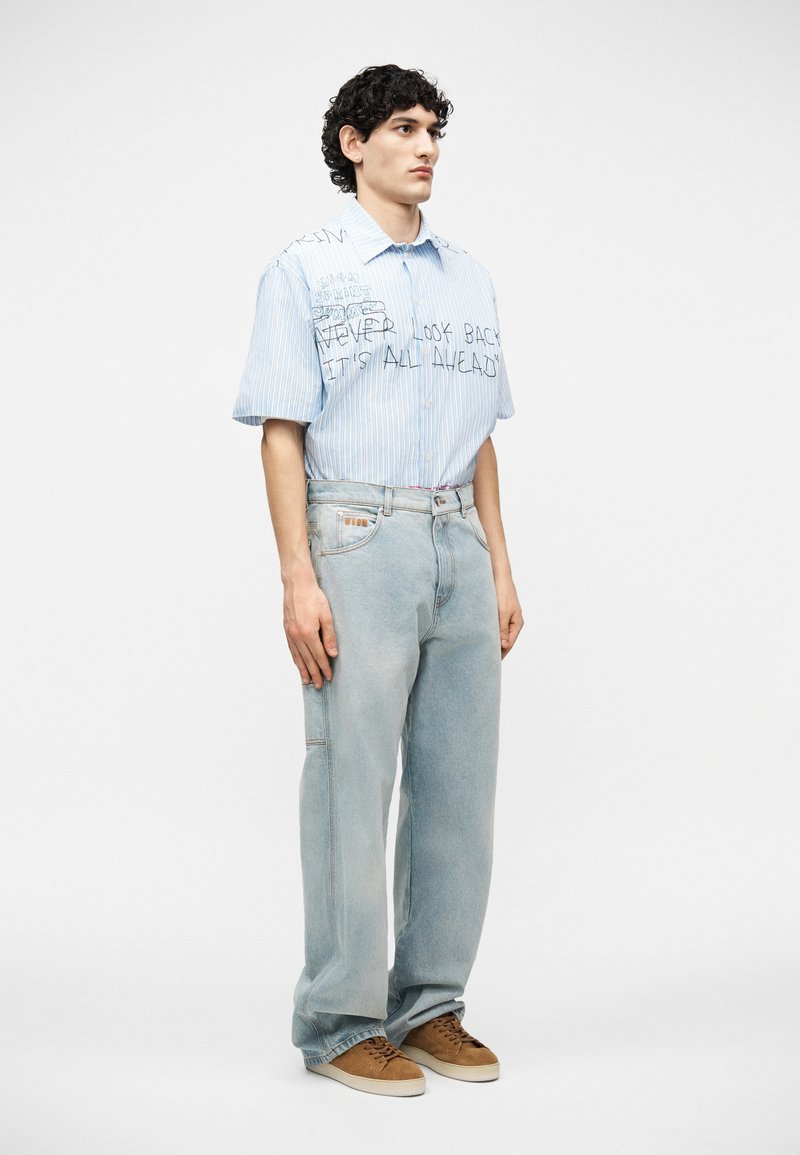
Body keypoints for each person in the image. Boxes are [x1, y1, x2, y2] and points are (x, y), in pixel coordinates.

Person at [232, 63, 523, 1097]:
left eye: (434, 129)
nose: (426, 146)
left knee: (458, 790)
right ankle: (339, 1019)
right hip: (355, 534)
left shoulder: (468, 277)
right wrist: (297, 578)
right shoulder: (305, 269)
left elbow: (481, 437)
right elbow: (281, 430)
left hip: (456, 538)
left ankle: (429, 1004)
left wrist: (498, 565)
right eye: (403, 127)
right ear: (353, 144)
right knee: (351, 787)